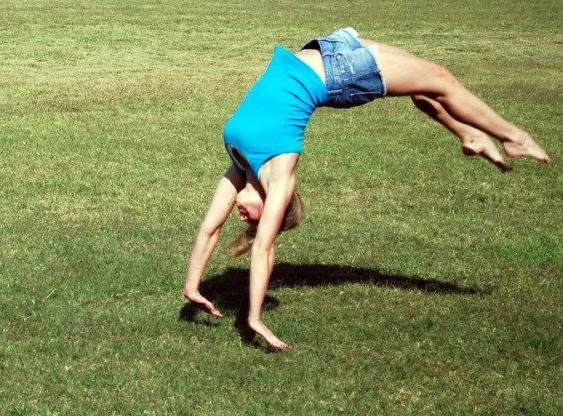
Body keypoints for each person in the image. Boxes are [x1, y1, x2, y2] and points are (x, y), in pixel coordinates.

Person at [182, 27, 550, 351]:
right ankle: (514, 138)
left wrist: (192, 286)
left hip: (331, 50)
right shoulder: (278, 177)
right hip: (338, 72)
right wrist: (255, 316)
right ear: (277, 207)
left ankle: (469, 133)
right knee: (440, 79)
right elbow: (263, 248)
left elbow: (208, 228)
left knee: (425, 90)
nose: (242, 217)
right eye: (254, 222)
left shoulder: (240, 163)